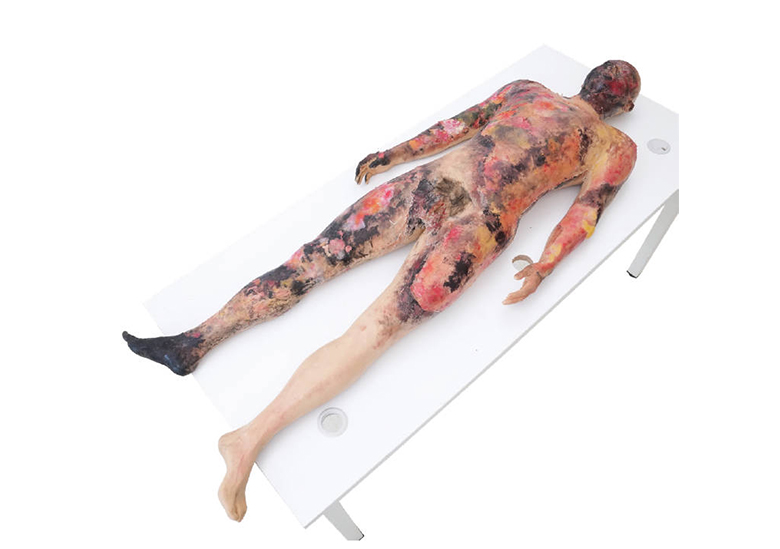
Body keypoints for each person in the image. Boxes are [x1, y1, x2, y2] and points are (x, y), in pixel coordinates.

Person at [123, 60, 640, 521]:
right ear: (625, 104)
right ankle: (193, 346)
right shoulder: (590, 129)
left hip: (457, 212)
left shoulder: (574, 120)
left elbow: (568, 199)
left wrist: (546, 263)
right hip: (462, 211)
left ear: (599, 85)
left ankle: (243, 432)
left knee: (349, 305)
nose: (609, 84)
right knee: (335, 292)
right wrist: (394, 154)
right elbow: (573, 203)